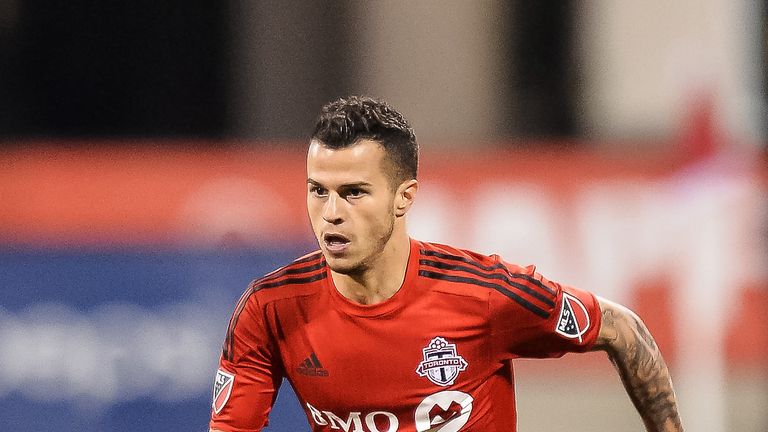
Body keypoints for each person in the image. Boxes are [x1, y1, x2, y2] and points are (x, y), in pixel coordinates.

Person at [209, 96, 684, 432]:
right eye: (318, 190)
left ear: (404, 198)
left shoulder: (487, 296)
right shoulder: (271, 309)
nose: (331, 212)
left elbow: (622, 329)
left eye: (354, 193)